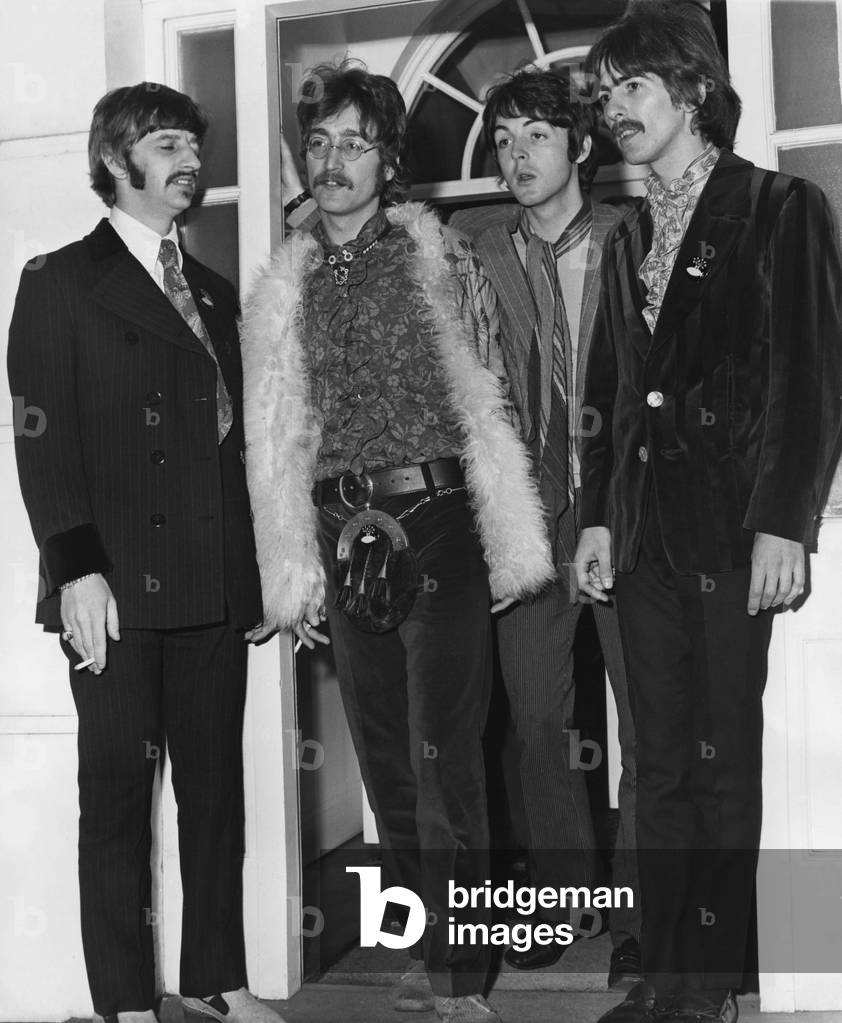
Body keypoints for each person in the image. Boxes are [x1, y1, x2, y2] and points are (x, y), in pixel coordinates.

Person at [242, 60, 553, 1023]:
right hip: (341, 532)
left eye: (357, 143)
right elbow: (271, 432)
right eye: (322, 142)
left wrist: (513, 528)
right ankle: (427, 952)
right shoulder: (281, 283)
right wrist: (292, 566)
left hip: (439, 523)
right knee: (382, 758)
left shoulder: (437, 255)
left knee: (443, 754)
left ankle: (465, 985)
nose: (335, 160)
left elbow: (499, 392)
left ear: (388, 162)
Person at [574, 4, 842, 1021]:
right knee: (656, 764)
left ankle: (714, 987)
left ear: (690, 90)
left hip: (731, 531)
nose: (614, 113)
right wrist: (596, 516)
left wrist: (783, 518)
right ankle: (669, 984)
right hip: (640, 533)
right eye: (603, 97)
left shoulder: (778, 207)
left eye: (631, 88)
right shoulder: (623, 234)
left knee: (720, 762)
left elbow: (810, 377)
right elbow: (606, 387)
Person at [7, 83, 280, 1023]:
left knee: (217, 797)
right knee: (118, 803)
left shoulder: (209, 287)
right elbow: (41, 441)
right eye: (166, 144)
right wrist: (75, 570)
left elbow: (236, 448)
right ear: (116, 161)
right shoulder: (59, 279)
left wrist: (259, 578)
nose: (187, 160)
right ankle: (123, 1001)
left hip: (210, 582)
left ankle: (215, 977)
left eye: (191, 144)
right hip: (114, 587)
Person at [450, 67, 640, 989]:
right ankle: (565, 899)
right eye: (503, 139)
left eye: (534, 135)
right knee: (537, 721)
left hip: (621, 503)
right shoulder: (474, 245)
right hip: (526, 511)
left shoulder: (632, 239)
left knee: (645, 721)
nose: (515, 155)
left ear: (582, 147)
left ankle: (642, 920)